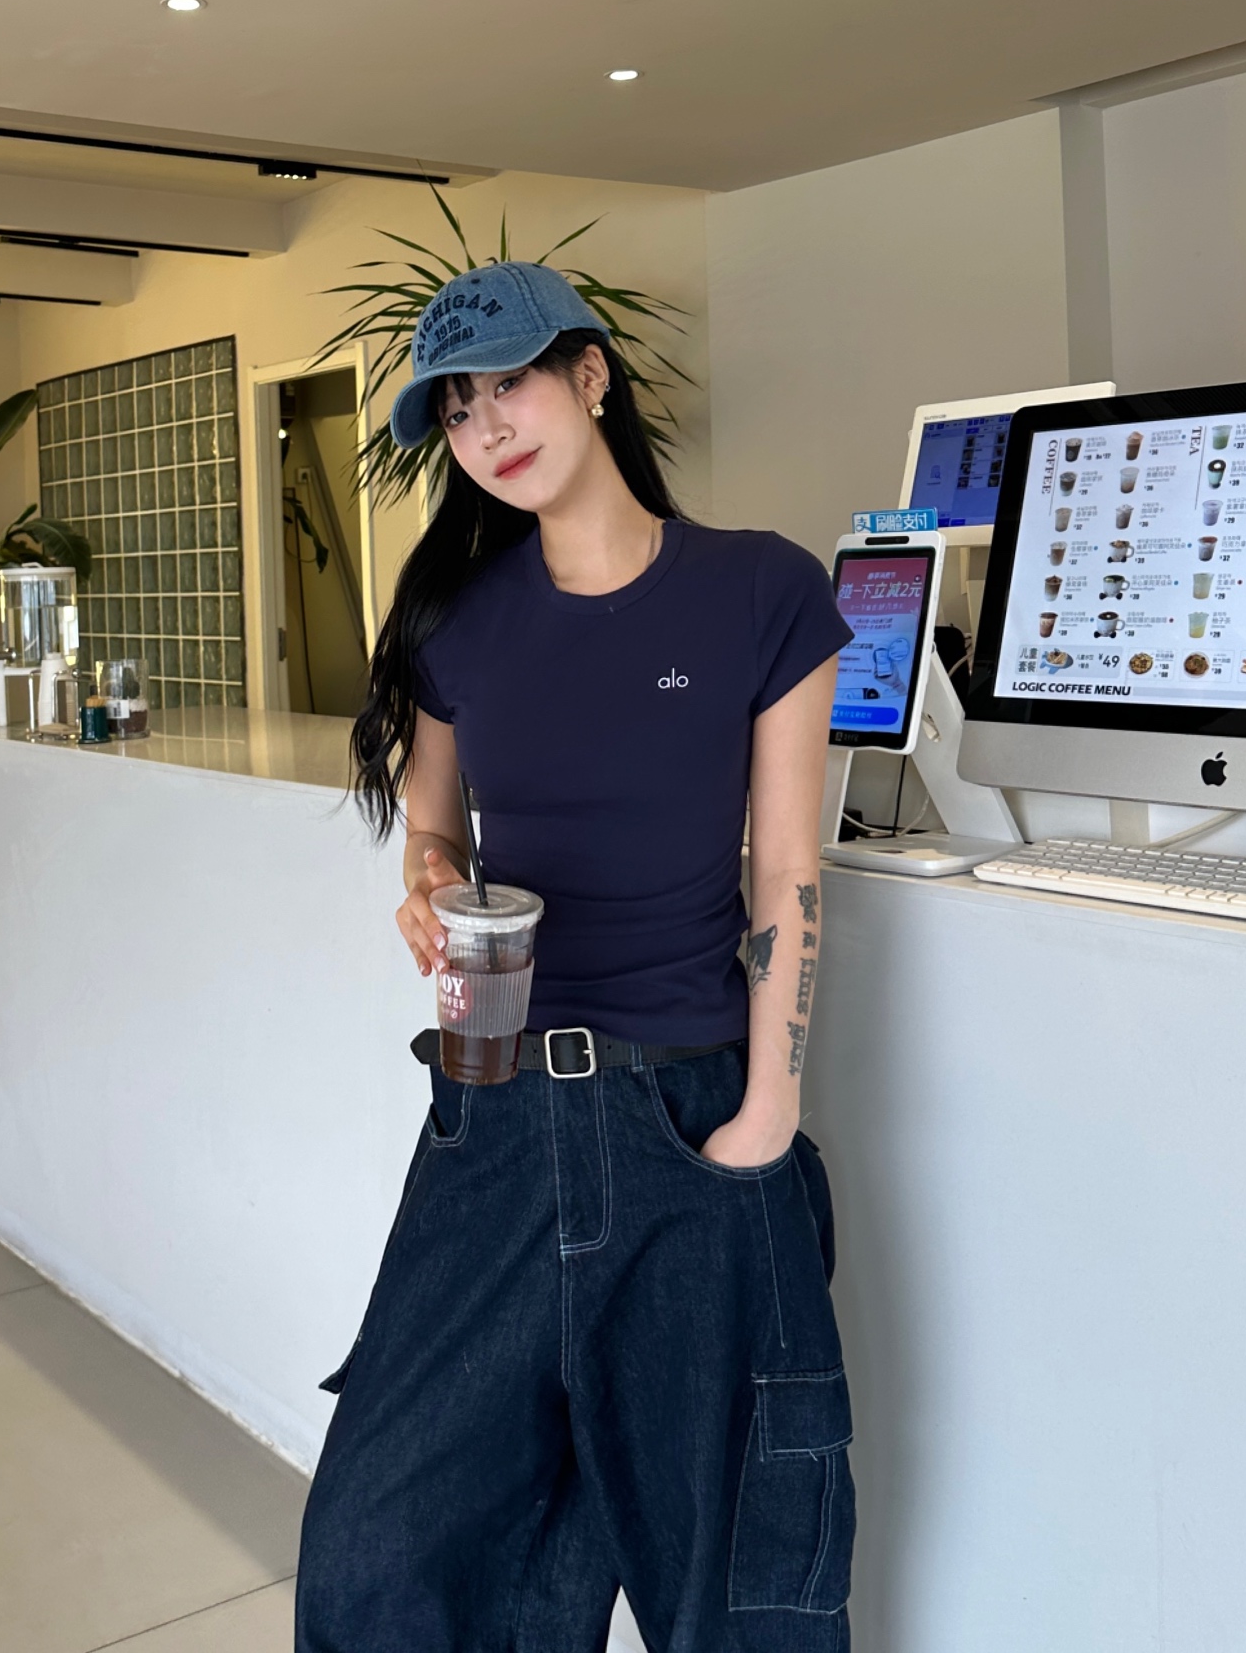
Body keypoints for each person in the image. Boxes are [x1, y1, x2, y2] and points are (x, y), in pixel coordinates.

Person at [296, 261, 855, 1653]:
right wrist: (429, 884)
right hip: (492, 1122)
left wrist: (766, 1116)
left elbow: (788, 868)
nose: (487, 427)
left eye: (511, 384)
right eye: (457, 410)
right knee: (384, 1555)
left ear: (590, 375)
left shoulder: (761, 590)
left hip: (687, 1117)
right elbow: (434, 825)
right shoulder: (458, 623)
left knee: (731, 1582)